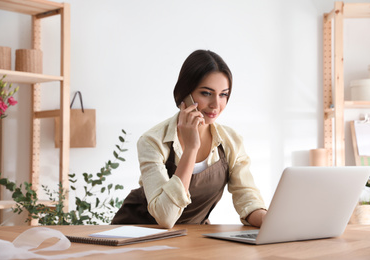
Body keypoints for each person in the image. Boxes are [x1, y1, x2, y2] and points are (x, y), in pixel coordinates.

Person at [112, 49, 267, 229]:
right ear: (185, 93)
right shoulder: (153, 141)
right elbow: (165, 217)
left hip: (192, 234)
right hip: (138, 233)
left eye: (223, 94)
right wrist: (191, 149)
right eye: (206, 93)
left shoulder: (231, 141)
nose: (216, 105)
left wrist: (269, 220)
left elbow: (246, 196)